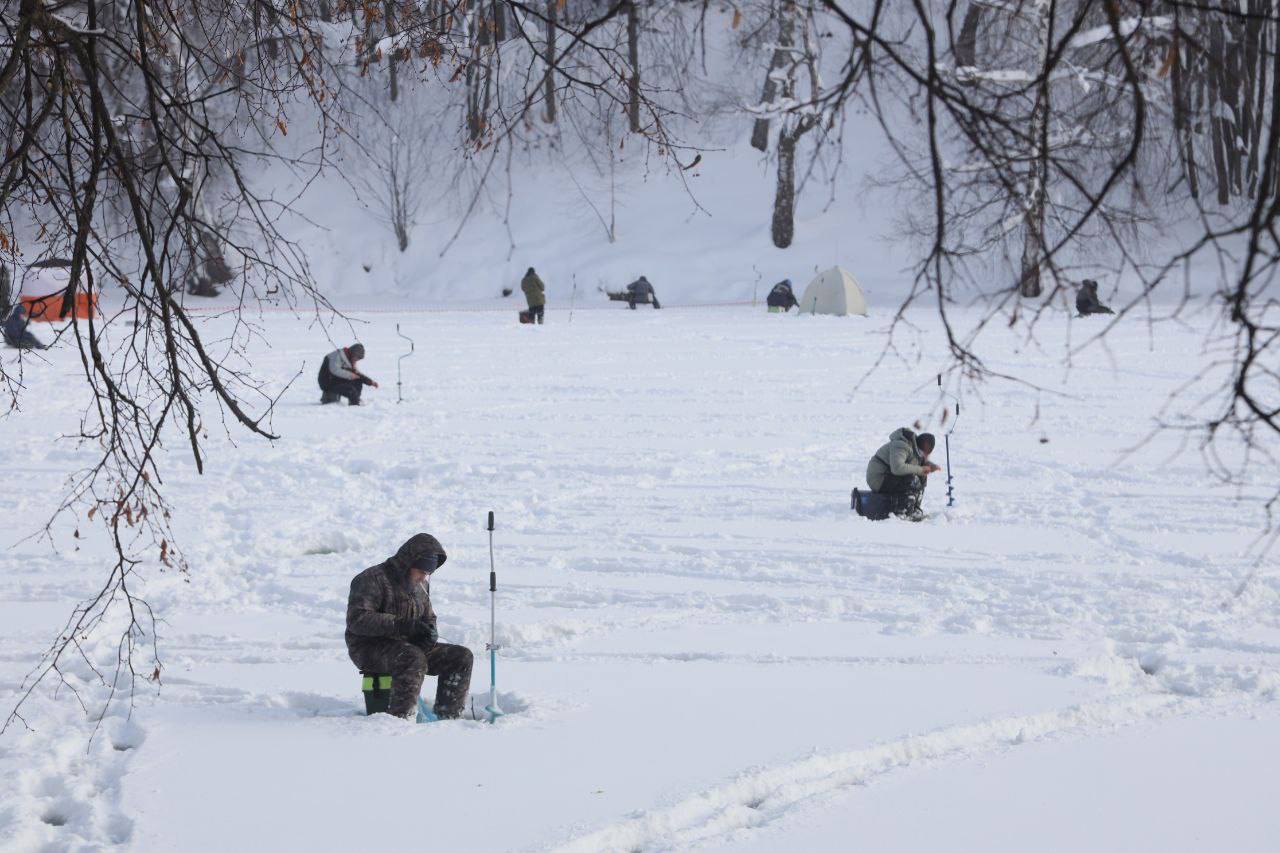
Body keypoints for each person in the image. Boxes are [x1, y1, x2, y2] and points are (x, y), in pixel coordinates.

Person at [345, 533, 474, 720]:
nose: (424, 578)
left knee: (461, 657)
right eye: (421, 572)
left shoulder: (420, 584)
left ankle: (448, 718)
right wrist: (402, 625)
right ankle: (401, 719)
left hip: (409, 644)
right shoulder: (371, 579)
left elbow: (429, 616)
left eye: (428, 574)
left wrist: (429, 633)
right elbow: (358, 620)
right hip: (368, 648)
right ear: (407, 564)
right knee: (412, 657)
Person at [866, 428, 939, 521]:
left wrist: (929, 466)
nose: (924, 456)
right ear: (919, 447)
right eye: (923, 453)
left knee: (922, 476)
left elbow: (917, 464)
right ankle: (903, 512)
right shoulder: (901, 445)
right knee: (911, 480)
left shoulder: (914, 448)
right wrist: (921, 469)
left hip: (890, 476)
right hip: (878, 477)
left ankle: (915, 509)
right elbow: (897, 468)